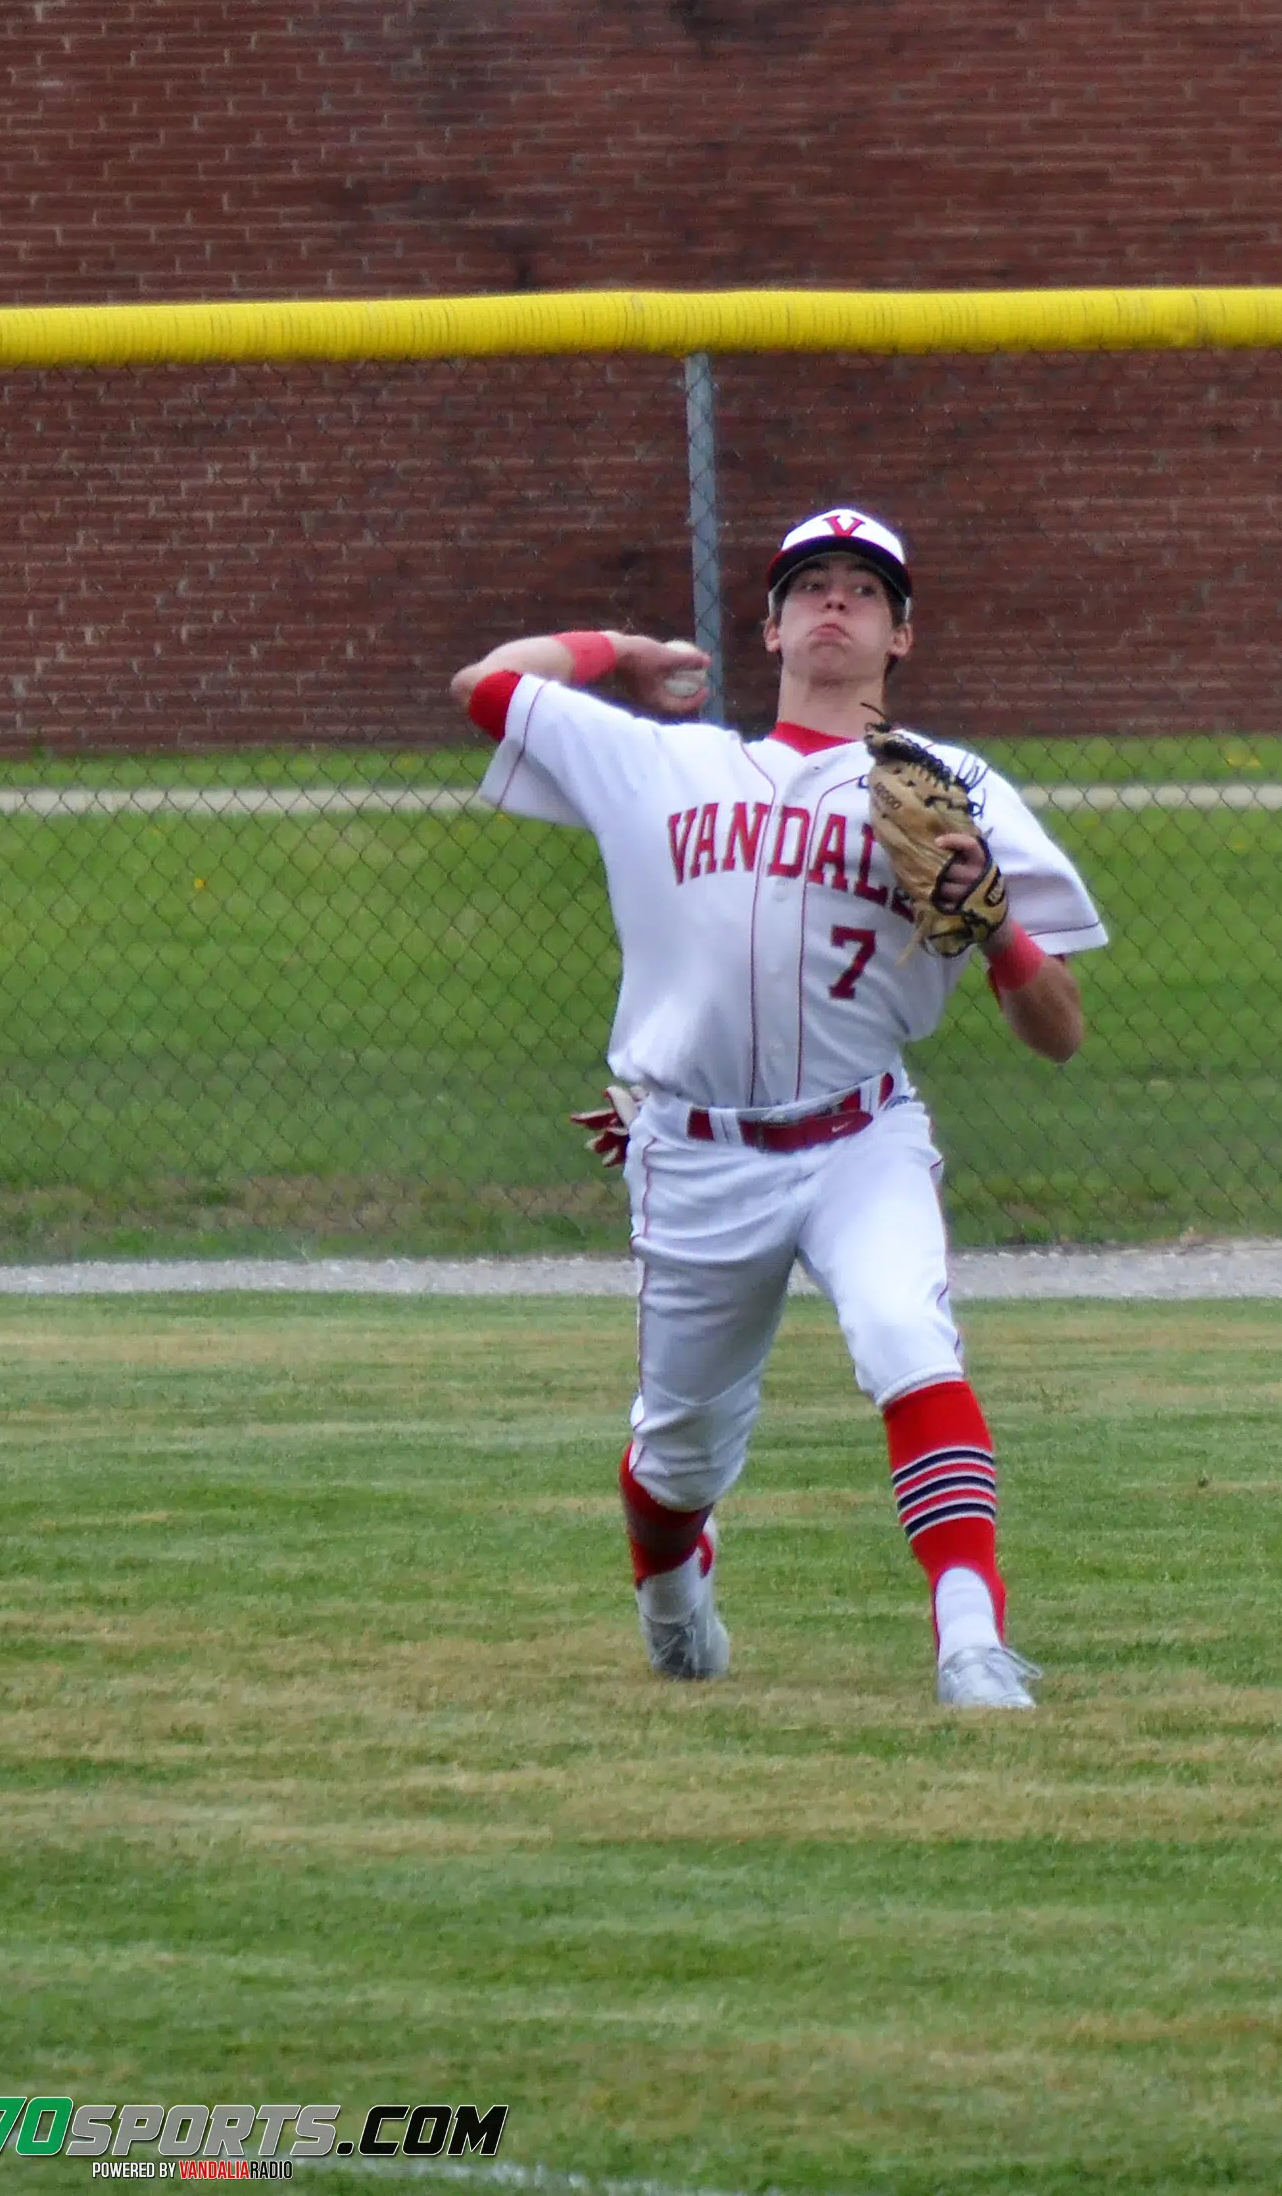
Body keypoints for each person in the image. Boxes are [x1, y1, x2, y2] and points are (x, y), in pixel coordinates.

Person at [449, 508, 1107, 1708]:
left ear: (902, 634)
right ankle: (670, 1585)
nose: (836, 604)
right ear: (769, 625)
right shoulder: (669, 761)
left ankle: (970, 1636)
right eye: (811, 585)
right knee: (678, 1451)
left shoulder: (950, 785)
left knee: (909, 1340)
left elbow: (1058, 1030)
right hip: (694, 1149)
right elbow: (484, 685)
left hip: (862, 1132)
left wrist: (996, 923)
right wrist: (625, 650)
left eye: (866, 588)